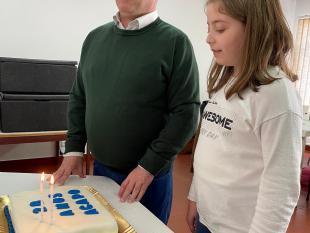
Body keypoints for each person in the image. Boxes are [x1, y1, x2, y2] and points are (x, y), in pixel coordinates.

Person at [52, 0, 200, 224]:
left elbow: (186, 113)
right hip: (100, 170)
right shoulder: (94, 39)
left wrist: (148, 167)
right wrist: (74, 149)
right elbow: (79, 97)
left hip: (148, 178)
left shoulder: (175, 42)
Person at [186, 0, 302, 233]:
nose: (209, 37)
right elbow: (210, 148)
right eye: (208, 27)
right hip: (208, 219)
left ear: (255, 29)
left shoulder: (275, 94)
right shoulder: (227, 80)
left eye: (219, 28)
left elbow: (281, 185)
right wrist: (194, 197)